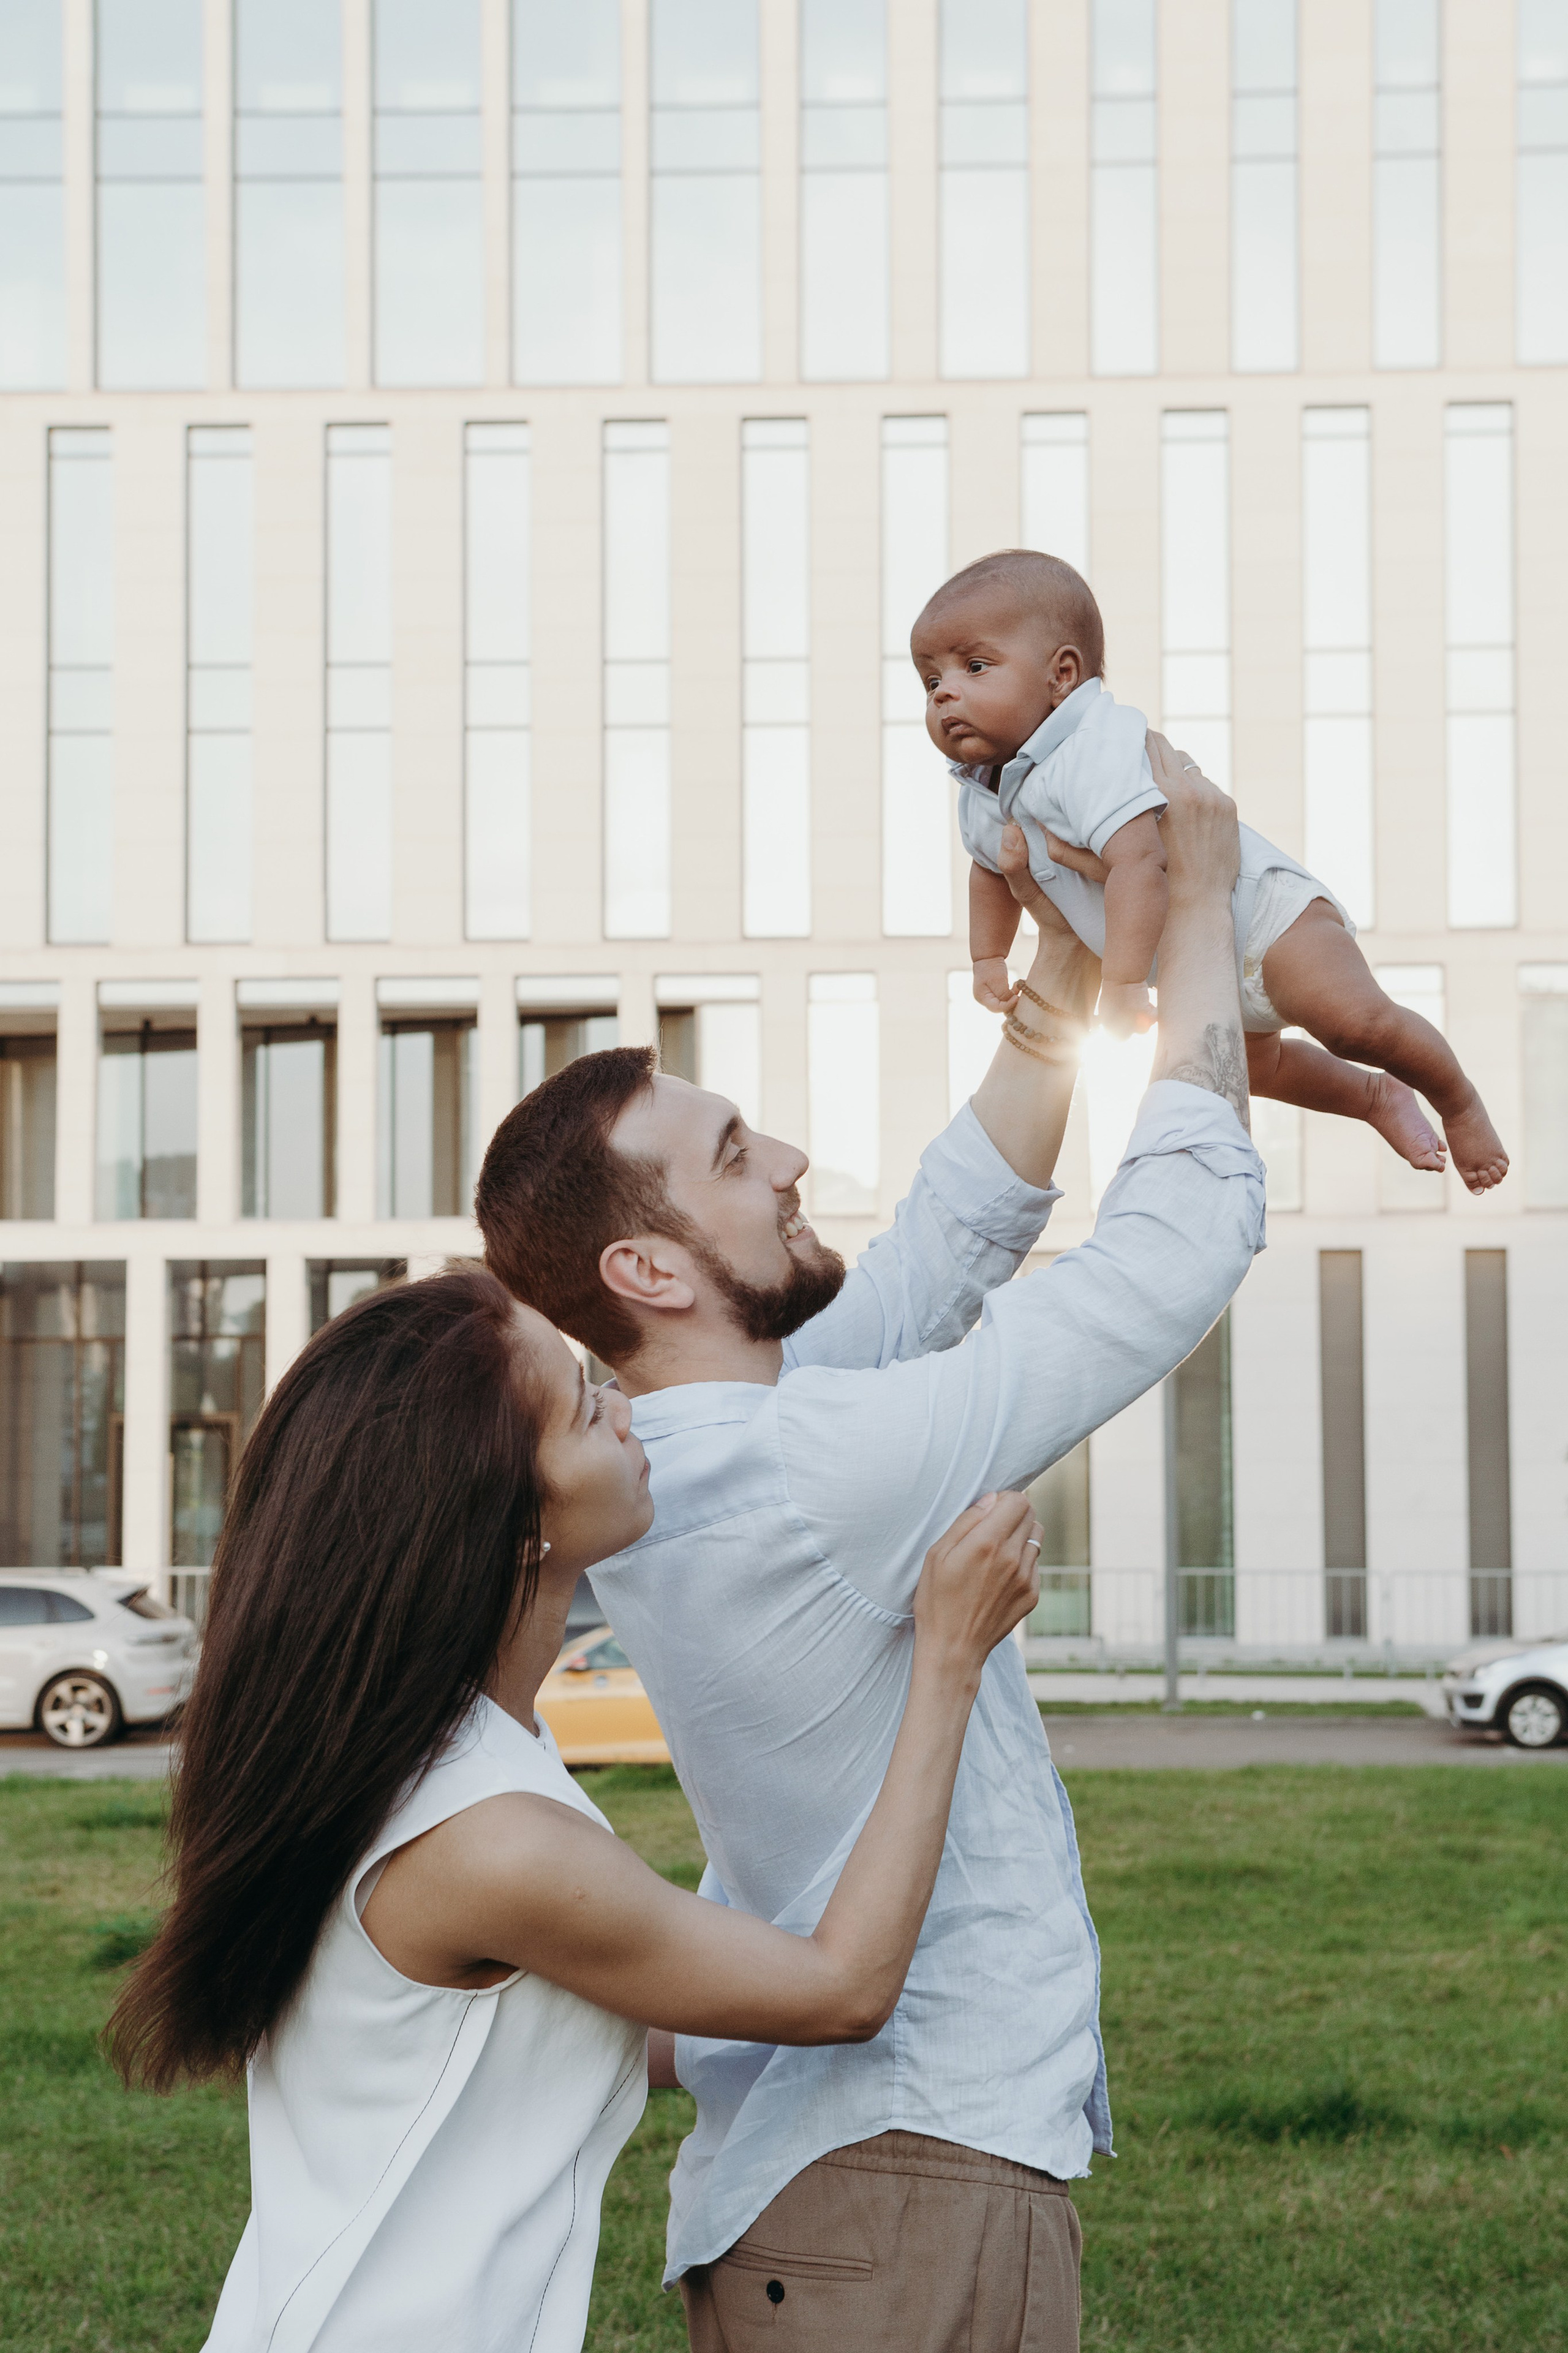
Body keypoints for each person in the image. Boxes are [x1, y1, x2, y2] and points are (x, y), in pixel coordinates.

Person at [473, 755, 1264, 2352]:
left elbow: (938, 1256)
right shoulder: (804, 1473)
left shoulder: (721, 1450)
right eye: (734, 1151)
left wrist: (1056, 977)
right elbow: (1169, 1255)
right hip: (905, 2186)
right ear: (648, 1264)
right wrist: (1202, 932)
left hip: (830, 2194)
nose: (788, 1160)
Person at [106, 1267, 1044, 2353]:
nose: (629, 1409)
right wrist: (949, 1660)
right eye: (586, 1406)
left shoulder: (417, 1758)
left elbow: (547, 2024)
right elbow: (843, 1987)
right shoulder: (490, 1840)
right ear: (512, 1524)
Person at [922, 545, 1508, 1195]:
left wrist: (1118, 987)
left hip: (1260, 921)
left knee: (1355, 1024)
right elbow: (988, 874)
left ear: (1061, 675)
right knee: (1258, 1065)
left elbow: (1139, 863)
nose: (945, 690)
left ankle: (1456, 1100)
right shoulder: (980, 791)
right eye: (931, 680)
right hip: (1190, 963)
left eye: (974, 666)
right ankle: (1373, 1098)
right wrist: (987, 958)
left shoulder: (1091, 748)